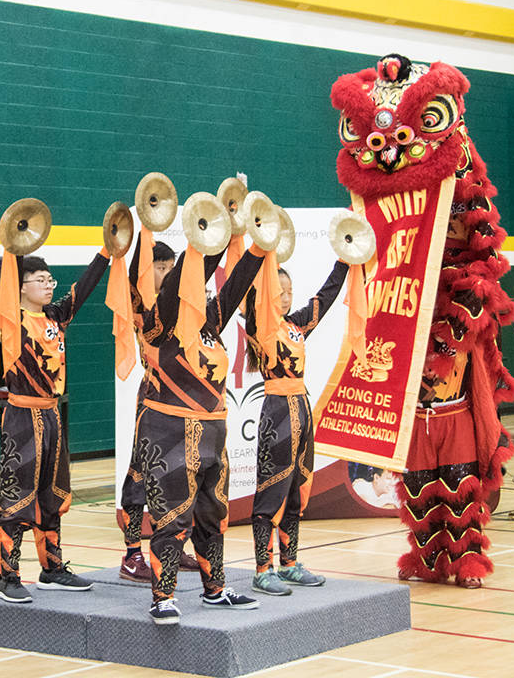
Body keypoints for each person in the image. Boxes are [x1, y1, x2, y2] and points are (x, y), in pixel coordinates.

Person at [138, 242, 266, 624]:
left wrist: (258, 247)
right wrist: (204, 245)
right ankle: (163, 597)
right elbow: (181, 281)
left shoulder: (211, 326)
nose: (207, 294)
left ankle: (215, 589)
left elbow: (237, 283)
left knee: (214, 515)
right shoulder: (159, 325)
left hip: (213, 435)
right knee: (172, 518)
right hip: (169, 432)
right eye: (200, 287)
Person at [0, 250, 109, 603]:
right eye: (39, 280)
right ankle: (8, 577)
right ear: (21, 287)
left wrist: (105, 252)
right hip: (22, 418)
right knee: (17, 497)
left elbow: (83, 288)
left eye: (50, 280)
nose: (47, 285)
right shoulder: (11, 319)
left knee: (52, 496)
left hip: (52, 416)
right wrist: (13, 245)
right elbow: (7, 276)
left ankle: (52, 568)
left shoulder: (56, 317)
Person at [244, 261, 347, 596]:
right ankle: (263, 569)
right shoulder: (261, 327)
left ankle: (289, 564)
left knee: (296, 490)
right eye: (279, 291)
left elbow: (325, 298)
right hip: (277, 414)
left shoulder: (296, 326)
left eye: (289, 292)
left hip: (303, 411)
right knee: (271, 492)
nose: (286, 297)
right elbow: (251, 295)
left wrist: (344, 262)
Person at [117, 239, 201, 581]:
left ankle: (174, 548)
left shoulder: (181, 307)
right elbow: (137, 271)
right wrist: (145, 231)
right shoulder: (141, 306)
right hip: (152, 400)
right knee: (141, 476)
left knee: (180, 478)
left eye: (169, 267)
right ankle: (132, 553)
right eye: (159, 267)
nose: (165, 272)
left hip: (183, 402)